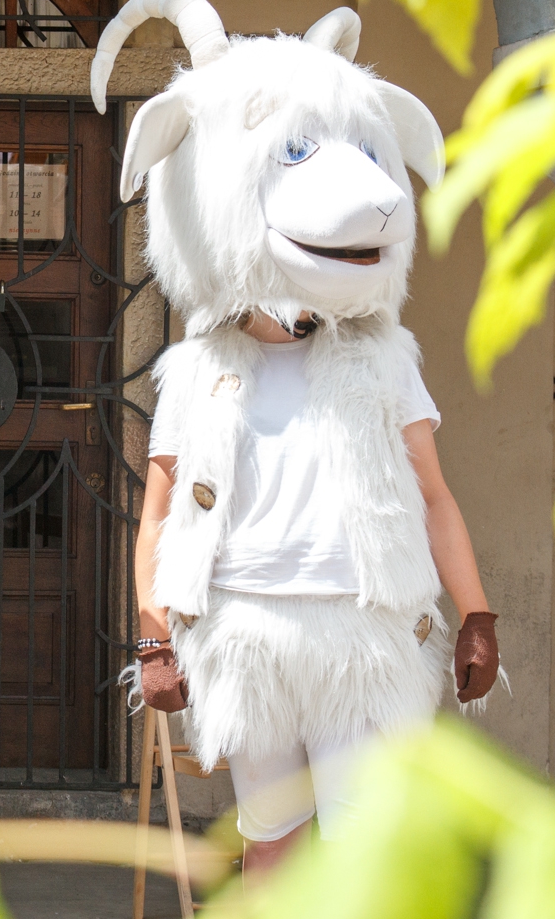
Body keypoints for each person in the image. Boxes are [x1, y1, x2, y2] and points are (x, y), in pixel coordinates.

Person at [133, 312, 495, 877]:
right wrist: (153, 636)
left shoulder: (381, 357)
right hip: (245, 636)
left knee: (364, 847)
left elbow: (434, 497)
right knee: (272, 843)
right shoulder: (198, 365)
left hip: (363, 637)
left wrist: (477, 615)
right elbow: (156, 513)